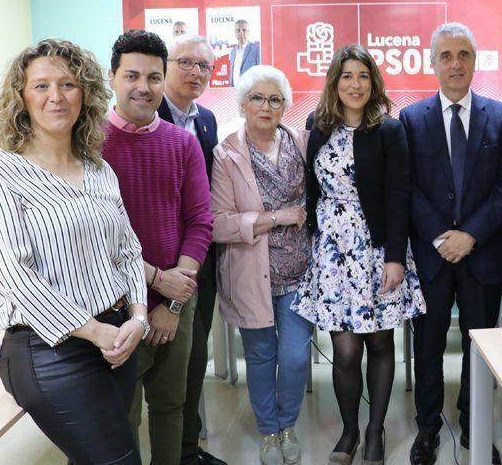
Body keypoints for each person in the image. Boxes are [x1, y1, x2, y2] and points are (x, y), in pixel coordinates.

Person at [0, 38, 148, 464]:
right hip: (52, 351)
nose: (56, 96)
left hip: (119, 336)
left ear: (84, 94)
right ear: (21, 98)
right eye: (41, 86)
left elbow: (127, 249)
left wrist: (137, 317)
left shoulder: (99, 170)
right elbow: (15, 275)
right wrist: (98, 332)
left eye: (67, 84)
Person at [292, 44, 426, 465]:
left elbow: (400, 195)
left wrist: (395, 256)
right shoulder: (318, 125)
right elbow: (312, 190)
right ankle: (349, 428)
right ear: (335, 81)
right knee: (346, 350)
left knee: (381, 343)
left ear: (374, 82)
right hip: (332, 253)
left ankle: (374, 430)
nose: (355, 84)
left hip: (376, 250)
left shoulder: (388, 129)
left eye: (363, 76)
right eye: (347, 76)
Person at [399, 22, 502, 465]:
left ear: (475, 61)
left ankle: (475, 424)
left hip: (482, 253)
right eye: (445, 56)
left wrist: (470, 235)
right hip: (431, 257)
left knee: (479, 345)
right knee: (427, 343)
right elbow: (407, 186)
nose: (455, 64)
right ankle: (427, 428)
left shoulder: (501, 117)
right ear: (432, 64)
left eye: (463, 55)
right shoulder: (410, 119)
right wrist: (441, 236)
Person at [102, 29, 213, 465]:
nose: (143, 87)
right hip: (112, 305)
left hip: (175, 304)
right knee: (120, 416)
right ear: (112, 77)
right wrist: (152, 290)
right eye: (132, 75)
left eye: (153, 77)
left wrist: (173, 303)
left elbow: (199, 223)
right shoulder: (88, 144)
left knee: (171, 409)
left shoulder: (183, 143)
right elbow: (98, 235)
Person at [211, 65, 313, 465]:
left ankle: (288, 423)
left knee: (295, 357)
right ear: (242, 104)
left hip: (300, 274)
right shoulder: (226, 154)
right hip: (250, 273)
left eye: (275, 99)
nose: (266, 106)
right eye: (257, 98)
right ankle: (269, 432)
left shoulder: (304, 143)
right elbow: (219, 223)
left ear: (286, 104)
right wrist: (275, 218)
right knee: (260, 356)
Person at [155, 34, 225, 465]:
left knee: (194, 359)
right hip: (154, 263)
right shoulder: (146, 114)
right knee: (158, 368)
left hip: (200, 258)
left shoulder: (208, 120)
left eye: (206, 66)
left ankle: (187, 450)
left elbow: (204, 199)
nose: (197, 73)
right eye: (187, 63)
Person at [228, 19, 261, 87]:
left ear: (248, 32)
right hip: (234, 91)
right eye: (238, 30)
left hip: (250, 91)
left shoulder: (256, 49)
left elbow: (260, 73)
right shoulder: (233, 52)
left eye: (244, 30)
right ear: (235, 33)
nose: (241, 33)